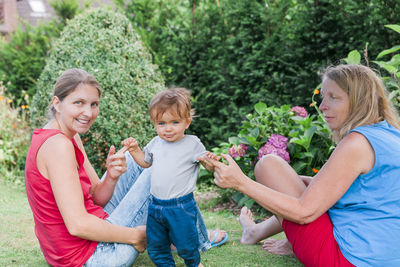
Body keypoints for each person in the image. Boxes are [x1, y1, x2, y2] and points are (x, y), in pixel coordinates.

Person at [201, 64, 400, 266]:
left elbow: (304, 213)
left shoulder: (356, 142)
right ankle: (256, 232)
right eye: (323, 96)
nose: (322, 106)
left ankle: (262, 234)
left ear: (361, 101)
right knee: (306, 186)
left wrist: (240, 182)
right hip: (388, 258)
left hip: (348, 260)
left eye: (334, 97)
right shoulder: (392, 134)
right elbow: (367, 192)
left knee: (268, 165)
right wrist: (305, 181)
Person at [24, 69, 227, 267]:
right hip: (93, 258)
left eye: (94, 104)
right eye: (79, 103)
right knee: (159, 169)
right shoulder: (58, 146)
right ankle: (195, 238)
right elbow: (77, 225)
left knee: (134, 159)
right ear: (57, 103)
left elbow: (96, 198)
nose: (88, 112)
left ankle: (177, 235)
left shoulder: (69, 135)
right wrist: (136, 236)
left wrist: (111, 177)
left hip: (79, 244)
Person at [122, 87, 228, 267]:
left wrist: (210, 160)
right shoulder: (156, 143)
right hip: (155, 206)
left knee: (186, 243)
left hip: (181, 207)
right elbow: (145, 162)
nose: (167, 129)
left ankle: (194, 263)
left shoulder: (192, 143)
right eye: (161, 123)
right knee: (156, 246)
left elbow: (207, 165)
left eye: (174, 122)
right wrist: (134, 150)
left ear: (187, 122)